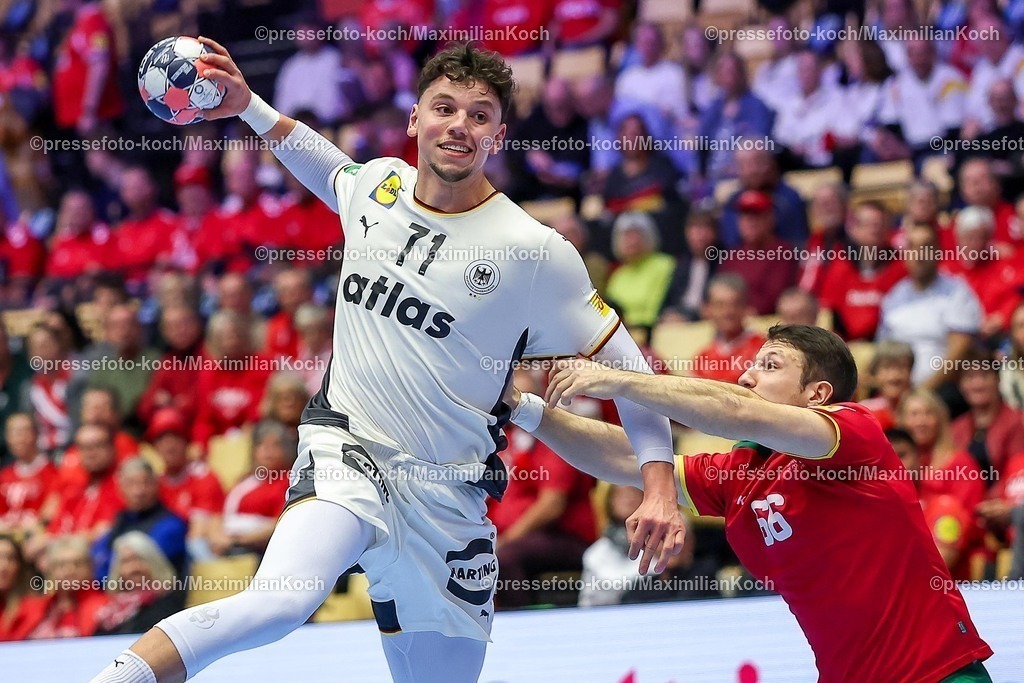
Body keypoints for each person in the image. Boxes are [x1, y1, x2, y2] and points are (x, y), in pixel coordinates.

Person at [88, 40, 682, 683]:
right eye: (444, 108)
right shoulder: (377, 188)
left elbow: (633, 376)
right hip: (348, 454)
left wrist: (658, 489)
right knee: (281, 600)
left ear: (499, 135)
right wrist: (249, 107)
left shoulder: (536, 251)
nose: (460, 125)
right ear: (414, 120)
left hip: (450, 496)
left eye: (479, 115)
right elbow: (328, 168)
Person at [507, 323, 994, 682]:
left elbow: (738, 411)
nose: (746, 376)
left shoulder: (853, 431)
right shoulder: (741, 474)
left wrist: (621, 380)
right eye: (752, 363)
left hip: (938, 673)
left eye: (770, 365)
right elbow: (622, 456)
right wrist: (524, 409)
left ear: (816, 394)